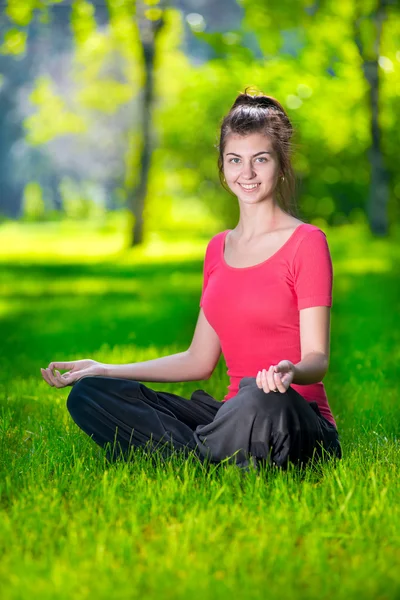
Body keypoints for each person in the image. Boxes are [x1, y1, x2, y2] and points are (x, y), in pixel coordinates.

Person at [40, 89, 342, 472]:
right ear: (222, 166)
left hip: (292, 416)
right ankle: (215, 454)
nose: (246, 173)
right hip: (230, 415)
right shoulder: (218, 249)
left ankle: (192, 454)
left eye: (260, 160)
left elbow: (317, 359)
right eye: (235, 160)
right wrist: (104, 368)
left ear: (281, 166)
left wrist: (290, 371)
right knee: (89, 395)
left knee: (257, 395)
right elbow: (198, 360)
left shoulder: (307, 242)